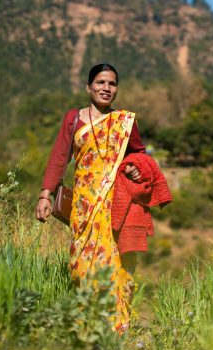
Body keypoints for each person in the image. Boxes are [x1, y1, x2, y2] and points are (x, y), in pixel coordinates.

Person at [35, 63, 146, 332]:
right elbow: (59, 158)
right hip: (84, 208)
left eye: (112, 83)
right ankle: (88, 327)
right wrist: (45, 194)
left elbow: (139, 154)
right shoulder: (74, 119)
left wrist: (135, 166)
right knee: (83, 266)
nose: (106, 88)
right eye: (100, 82)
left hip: (116, 207)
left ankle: (116, 329)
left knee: (115, 265)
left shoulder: (124, 122)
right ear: (88, 87)